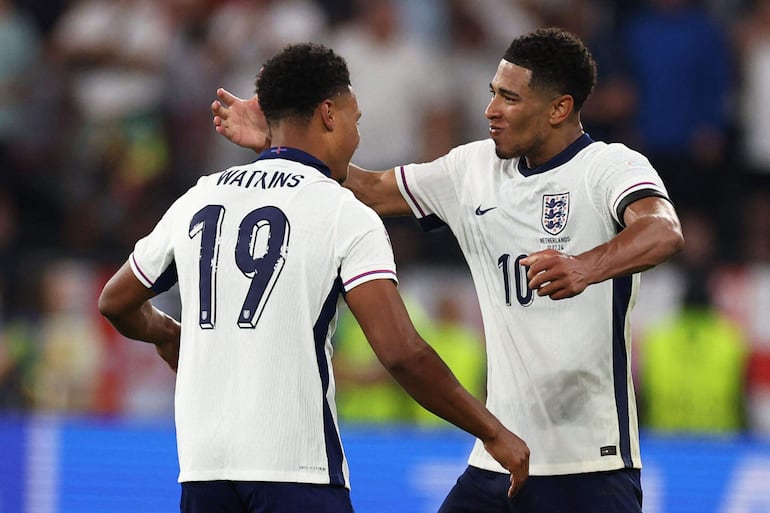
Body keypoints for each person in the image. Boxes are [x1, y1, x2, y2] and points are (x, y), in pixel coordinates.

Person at [211, 27, 684, 513]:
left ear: (559, 109)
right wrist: (279, 142)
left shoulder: (608, 167)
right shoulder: (472, 169)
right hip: (499, 460)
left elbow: (663, 230)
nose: (490, 110)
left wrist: (585, 266)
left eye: (509, 98)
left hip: (589, 463)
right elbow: (370, 190)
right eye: (492, 93)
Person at [98, 42, 529, 513]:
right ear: (328, 113)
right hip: (297, 473)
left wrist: (167, 333)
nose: (357, 136)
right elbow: (402, 354)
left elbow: (115, 301)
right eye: (355, 120)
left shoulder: (199, 198)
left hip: (203, 472)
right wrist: (493, 432)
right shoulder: (346, 214)